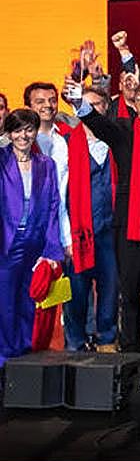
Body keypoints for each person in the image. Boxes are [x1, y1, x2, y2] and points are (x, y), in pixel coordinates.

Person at [74, 72, 140, 353]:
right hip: (133, 224)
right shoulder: (123, 131)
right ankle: (131, 352)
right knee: (131, 291)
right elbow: (98, 123)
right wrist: (78, 103)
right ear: (133, 103)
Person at [0, 109, 64, 367]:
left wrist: (51, 251)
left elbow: (52, 206)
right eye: (17, 130)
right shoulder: (1, 160)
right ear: (9, 133)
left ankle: (23, 353)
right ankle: (4, 356)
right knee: (5, 300)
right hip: (6, 241)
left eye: (28, 129)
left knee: (29, 299)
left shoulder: (46, 164)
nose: (23, 135)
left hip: (35, 242)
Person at [60, 86, 118, 353]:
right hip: (79, 231)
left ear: (106, 108)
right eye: (86, 105)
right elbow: (59, 195)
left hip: (110, 230)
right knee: (77, 292)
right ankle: (75, 342)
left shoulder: (116, 143)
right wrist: (64, 235)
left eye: (97, 105)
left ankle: (107, 339)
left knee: (109, 290)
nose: (92, 110)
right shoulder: (66, 144)